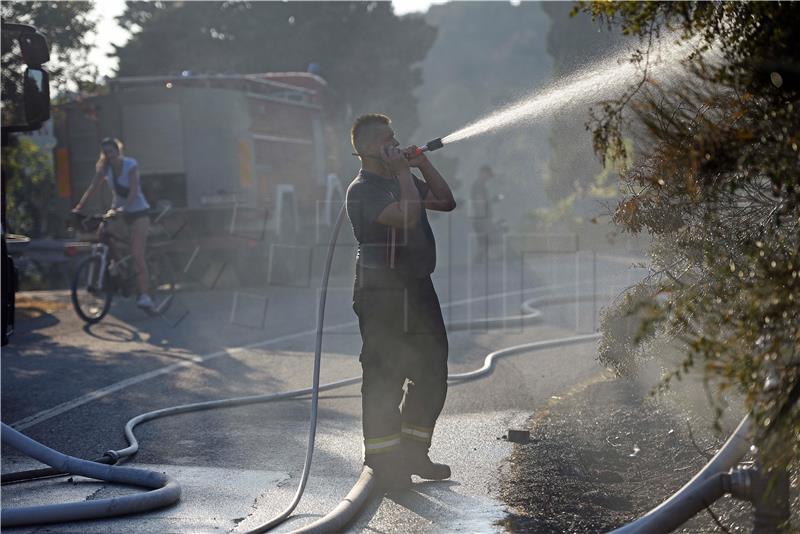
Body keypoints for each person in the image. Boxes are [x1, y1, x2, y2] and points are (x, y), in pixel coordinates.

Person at [346, 113, 457, 489]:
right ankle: (382, 459)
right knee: (384, 374)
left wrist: (421, 162)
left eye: (395, 136)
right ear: (365, 149)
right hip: (381, 294)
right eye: (385, 139)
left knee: (432, 369)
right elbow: (408, 217)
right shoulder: (363, 190)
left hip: (417, 287)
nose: (394, 143)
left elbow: (445, 200)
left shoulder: (400, 178)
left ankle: (414, 453)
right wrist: (405, 174)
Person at [72, 137, 154, 310]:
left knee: (137, 254)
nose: (109, 155)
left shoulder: (130, 165)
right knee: (102, 234)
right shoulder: (105, 168)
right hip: (118, 210)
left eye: (111, 151)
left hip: (138, 211)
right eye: (106, 152)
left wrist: (123, 208)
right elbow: (93, 187)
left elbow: (133, 190)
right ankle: (119, 266)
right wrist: (79, 207)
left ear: (118, 151)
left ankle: (145, 296)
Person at [469, 164, 497, 263]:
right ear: (482, 173)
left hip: (481, 218)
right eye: (488, 175)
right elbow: (479, 202)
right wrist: (484, 219)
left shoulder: (480, 186)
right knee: (484, 241)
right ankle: (478, 263)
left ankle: (481, 262)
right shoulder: (478, 186)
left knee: (485, 241)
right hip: (481, 218)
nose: (489, 178)